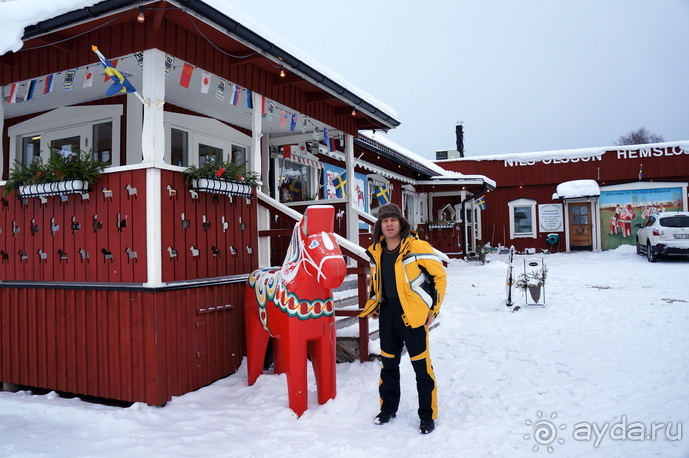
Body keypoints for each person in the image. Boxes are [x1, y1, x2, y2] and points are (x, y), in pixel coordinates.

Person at [359, 203, 447, 434]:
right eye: (384, 221)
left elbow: (439, 277)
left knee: (421, 369)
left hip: (413, 317)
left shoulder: (418, 247)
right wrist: (375, 303)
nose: (389, 224)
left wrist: (433, 310)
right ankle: (388, 409)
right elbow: (375, 281)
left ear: (401, 223)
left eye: (393, 220)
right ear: (380, 225)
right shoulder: (377, 251)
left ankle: (427, 417)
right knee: (388, 366)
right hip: (387, 316)